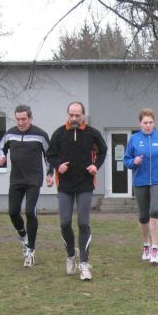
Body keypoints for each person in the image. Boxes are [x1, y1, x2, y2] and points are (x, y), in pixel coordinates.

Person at [47, 101, 108, 281]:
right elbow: (51, 154)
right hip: (65, 185)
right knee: (65, 223)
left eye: (77, 115)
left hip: (85, 184)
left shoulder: (92, 133)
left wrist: (95, 166)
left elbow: (103, 151)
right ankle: (70, 255)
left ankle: (84, 263)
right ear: (68, 114)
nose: (74, 118)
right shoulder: (59, 133)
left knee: (83, 223)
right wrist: (58, 166)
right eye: (71, 115)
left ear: (83, 115)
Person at [0, 104, 54, 267]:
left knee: (30, 212)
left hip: (34, 180)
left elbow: (49, 155)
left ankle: (30, 250)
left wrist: (50, 174)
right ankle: (23, 234)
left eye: (24, 119)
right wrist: (1, 157)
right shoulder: (10, 134)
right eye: (18, 119)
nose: (21, 122)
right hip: (16, 179)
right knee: (13, 212)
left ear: (30, 118)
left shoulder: (40, 135)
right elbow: (0, 147)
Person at [124, 108, 158, 265]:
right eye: (145, 123)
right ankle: (146, 245)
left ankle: (155, 248)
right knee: (143, 215)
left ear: (154, 123)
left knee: (154, 210)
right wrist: (134, 162)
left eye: (150, 122)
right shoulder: (134, 139)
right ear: (140, 123)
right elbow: (126, 160)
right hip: (140, 180)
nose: (148, 125)